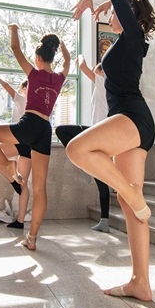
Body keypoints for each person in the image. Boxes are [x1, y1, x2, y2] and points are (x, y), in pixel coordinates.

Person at [66, 0, 155, 301]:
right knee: (130, 205)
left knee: (76, 149)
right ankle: (140, 282)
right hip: (131, 122)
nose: (109, 18)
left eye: (116, 14)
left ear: (128, 15)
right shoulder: (128, 41)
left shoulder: (133, 37)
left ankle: (132, 195)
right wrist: (108, 7)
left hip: (131, 117)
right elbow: (117, 4)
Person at [0, 25, 70, 250]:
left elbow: (15, 48)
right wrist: (63, 46)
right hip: (45, 129)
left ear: (38, 58)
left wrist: (14, 28)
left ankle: (8, 165)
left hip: (29, 124)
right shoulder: (59, 78)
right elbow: (67, 62)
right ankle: (32, 238)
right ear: (52, 57)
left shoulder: (34, 74)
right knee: (40, 189)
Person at [56, 55, 111, 233]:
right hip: (100, 133)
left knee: (61, 130)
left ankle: (83, 165)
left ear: (101, 72)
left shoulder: (103, 81)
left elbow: (83, 66)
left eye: (97, 69)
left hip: (97, 132)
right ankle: (104, 221)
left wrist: (79, 56)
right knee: (101, 180)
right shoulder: (109, 87)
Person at [0, 76, 32, 229]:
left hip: (20, 142)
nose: (22, 91)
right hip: (29, 145)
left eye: (23, 88)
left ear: (24, 89)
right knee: (23, 184)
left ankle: (12, 177)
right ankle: (20, 221)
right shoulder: (35, 104)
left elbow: (8, 87)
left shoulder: (21, 99)